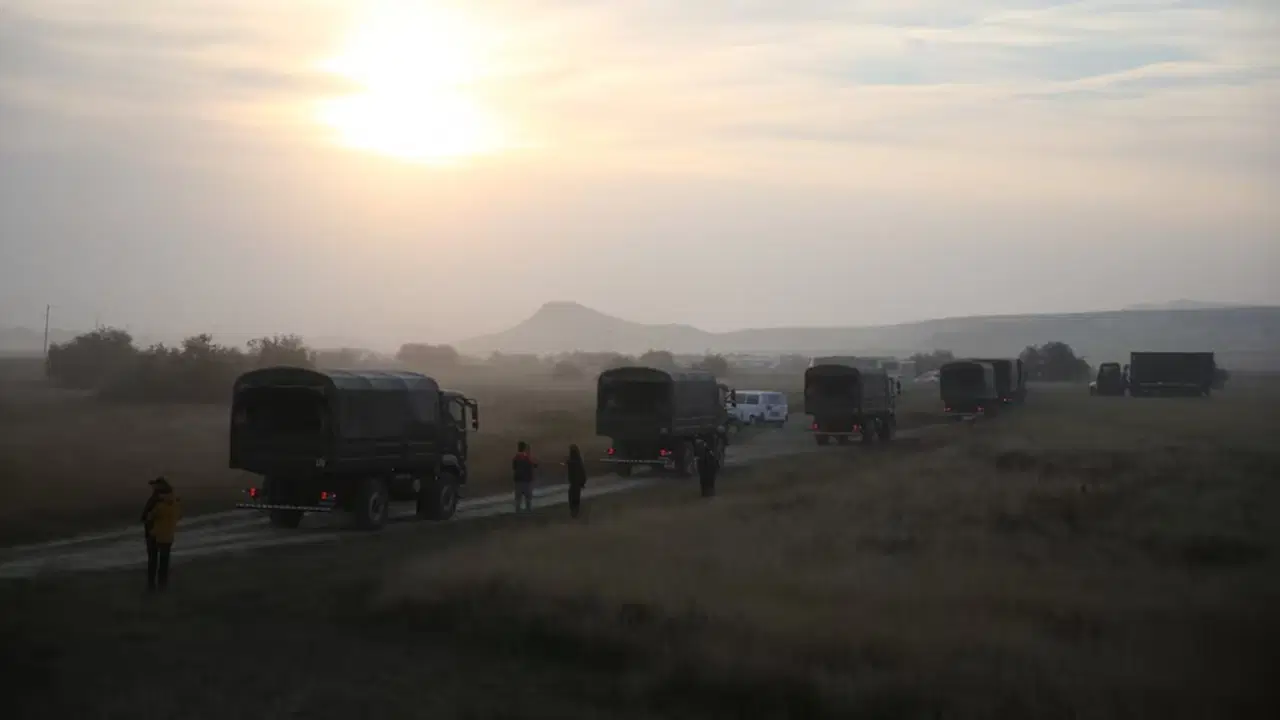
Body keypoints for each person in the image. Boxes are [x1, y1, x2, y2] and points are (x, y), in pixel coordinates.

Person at [141, 476, 182, 591]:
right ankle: (162, 585)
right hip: (168, 535)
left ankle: (152, 586)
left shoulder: (157, 502)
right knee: (164, 561)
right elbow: (178, 516)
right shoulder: (175, 502)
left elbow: (146, 517)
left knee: (153, 561)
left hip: (153, 534)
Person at [512, 441, 537, 513]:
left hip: (518, 479)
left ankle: (518, 510)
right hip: (526, 480)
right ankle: (528, 510)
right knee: (528, 497)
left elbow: (514, 467)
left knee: (518, 497)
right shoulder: (527, 458)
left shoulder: (516, 458)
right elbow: (533, 465)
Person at [565, 444, 587, 519]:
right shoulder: (578, 461)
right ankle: (575, 511)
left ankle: (574, 511)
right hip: (577, 483)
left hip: (573, 483)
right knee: (576, 498)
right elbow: (582, 472)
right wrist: (582, 482)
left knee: (572, 497)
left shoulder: (572, 462)